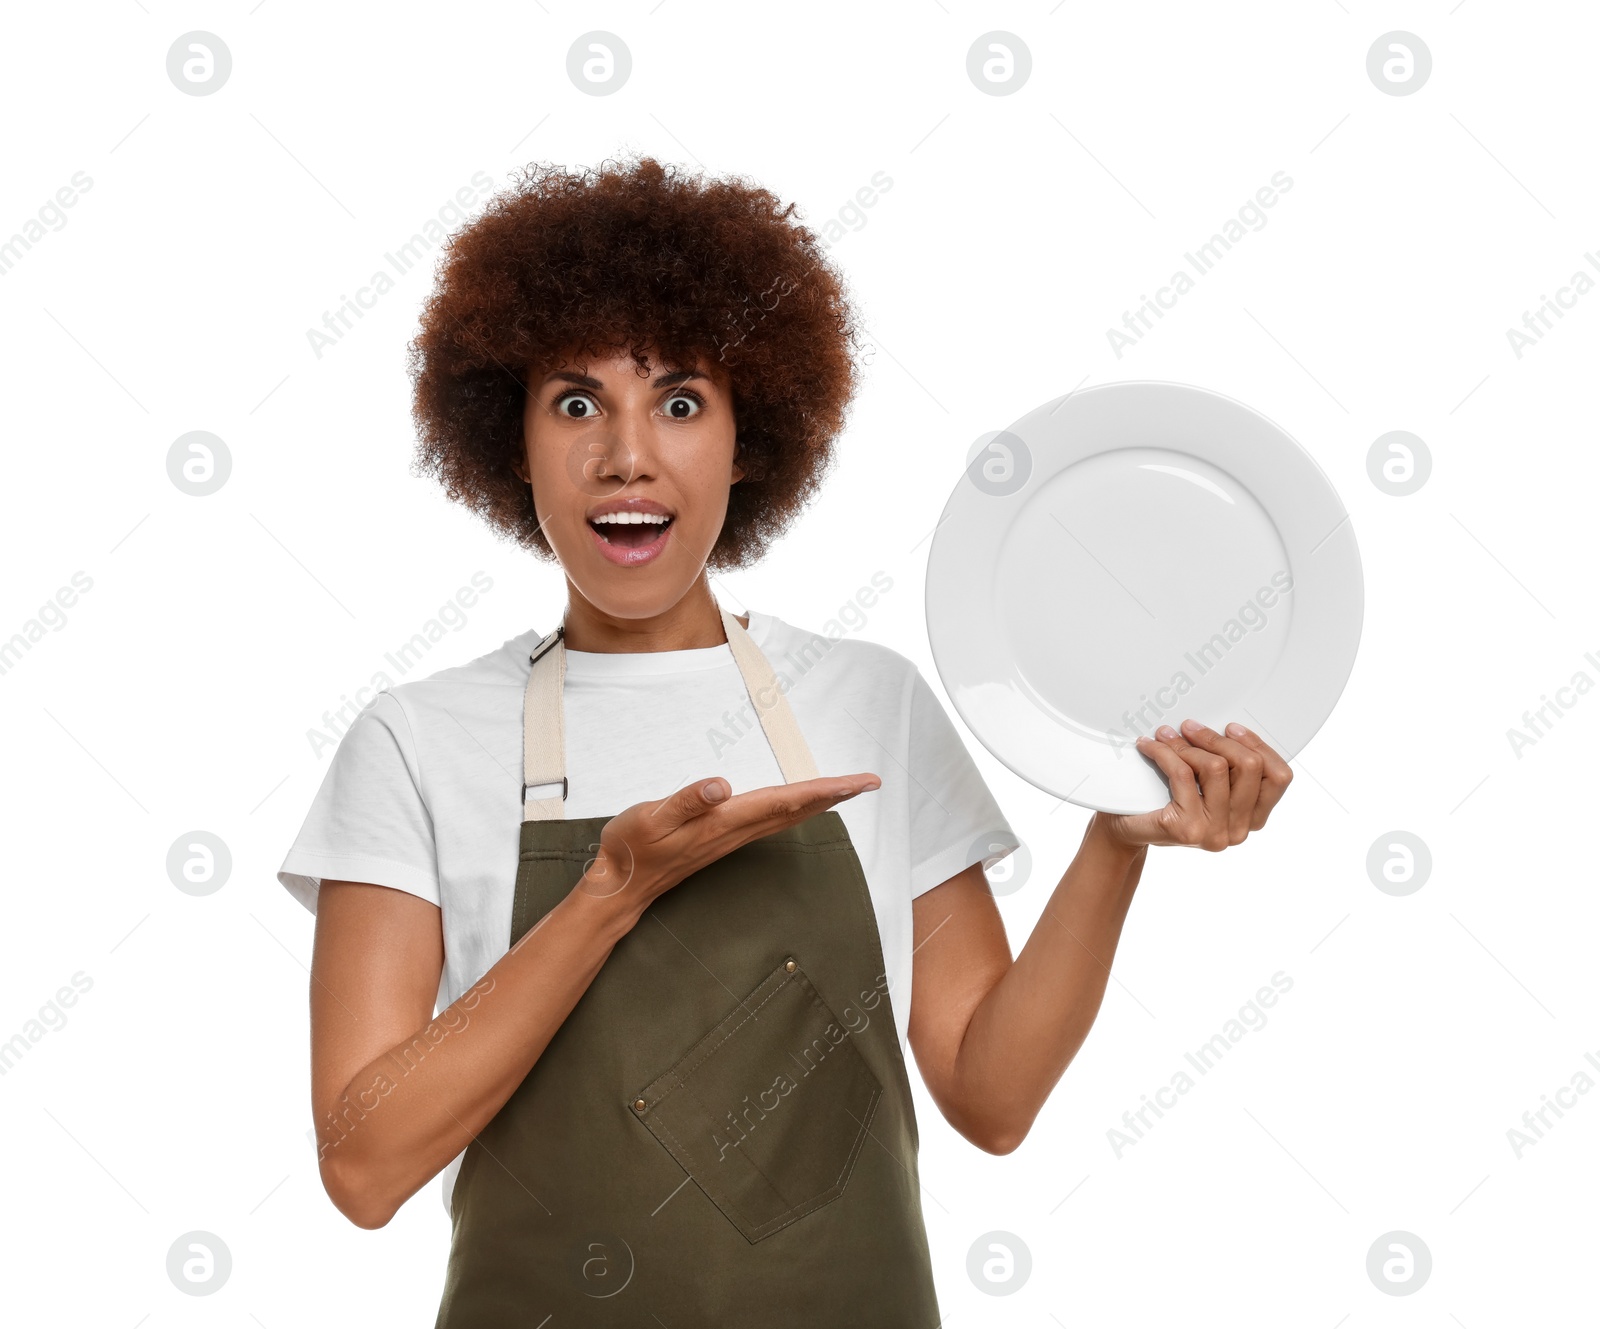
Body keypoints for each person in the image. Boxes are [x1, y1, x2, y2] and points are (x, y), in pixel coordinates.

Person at [277, 155, 1293, 1325]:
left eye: (678, 402)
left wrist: (1114, 845)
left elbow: (990, 1096)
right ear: (506, 442)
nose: (626, 456)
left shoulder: (869, 700)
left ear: (749, 436)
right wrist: (608, 894)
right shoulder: (417, 741)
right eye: (574, 404)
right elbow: (362, 1171)